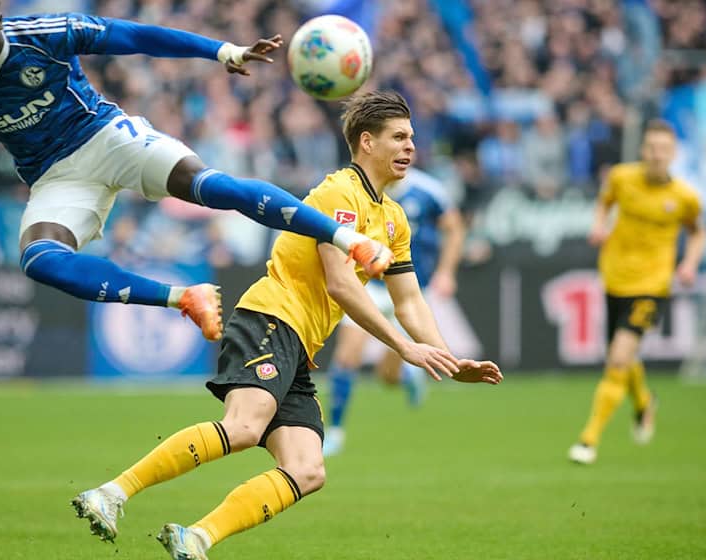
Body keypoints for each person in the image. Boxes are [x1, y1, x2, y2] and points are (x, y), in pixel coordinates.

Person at [69, 91, 503, 558]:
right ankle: (111, 493)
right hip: (270, 318)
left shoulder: (394, 219)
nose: (410, 147)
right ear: (366, 143)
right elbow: (341, 284)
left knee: (307, 469)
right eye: (398, 137)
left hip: (300, 344)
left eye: (412, 137)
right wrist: (404, 347)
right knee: (243, 427)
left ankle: (195, 538)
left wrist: (447, 358)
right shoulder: (340, 194)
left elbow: (410, 299)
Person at [0, 0, 394, 340]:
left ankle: (352, 241)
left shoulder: (46, 34)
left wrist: (222, 51)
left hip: (107, 137)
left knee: (210, 186)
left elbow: (136, 36)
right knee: (39, 260)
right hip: (56, 178)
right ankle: (185, 297)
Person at [568, 119, 706, 465]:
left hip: (651, 286)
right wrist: (599, 225)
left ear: (673, 154)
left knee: (617, 360)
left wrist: (688, 264)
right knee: (621, 357)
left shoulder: (685, 197)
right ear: (643, 150)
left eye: (664, 149)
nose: (657, 155)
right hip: (614, 279)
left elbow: (698, 233)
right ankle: (644, 403)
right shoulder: (621, 177)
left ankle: (588, 440)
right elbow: (605, 202)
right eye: (652, 148)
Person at [322, 166, 466, 456]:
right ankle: (335, 432)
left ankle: (406, 377)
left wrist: (447, 272)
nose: (404, 150)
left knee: (386, 376)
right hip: (368, 286)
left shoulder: (427, 191)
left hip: (409, 289)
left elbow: (455, 228)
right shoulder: (355, 189)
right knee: (346, 358)